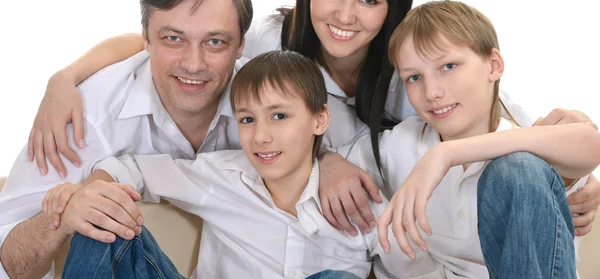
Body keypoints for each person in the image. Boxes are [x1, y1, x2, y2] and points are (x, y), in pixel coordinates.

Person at [24, 0, 600, 236]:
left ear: (392, 9)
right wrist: (64, 76)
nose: (344, 16)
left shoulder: (412, 74)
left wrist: (575, 185)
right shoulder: (272, 40)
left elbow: (498, 117)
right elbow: (177, 38)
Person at [47, 51, 446, 279]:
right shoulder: (218, 176)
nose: (261, 137)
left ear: (320, 120)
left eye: (279, 116)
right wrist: (90, 190)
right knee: (102, 221)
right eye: (247, 119)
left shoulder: (361, 205)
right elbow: (127, 168)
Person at [0, 0, 256, 278]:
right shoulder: (84, 116)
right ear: (145, 41)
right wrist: (62, 219)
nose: (193, 63)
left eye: (215, 42)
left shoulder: (273, 105)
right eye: (173, 39)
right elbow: (7, 260)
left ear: (242, 45)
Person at [343, 0, 600, 278]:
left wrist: (447, 154)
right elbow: (309, 165)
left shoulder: (526, 145)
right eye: (414, 77)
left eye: (449, 66)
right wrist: (330, 161)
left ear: (493, 65)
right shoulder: (400, 145)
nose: (432, 92)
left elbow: (591, 144)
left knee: (519, 167)